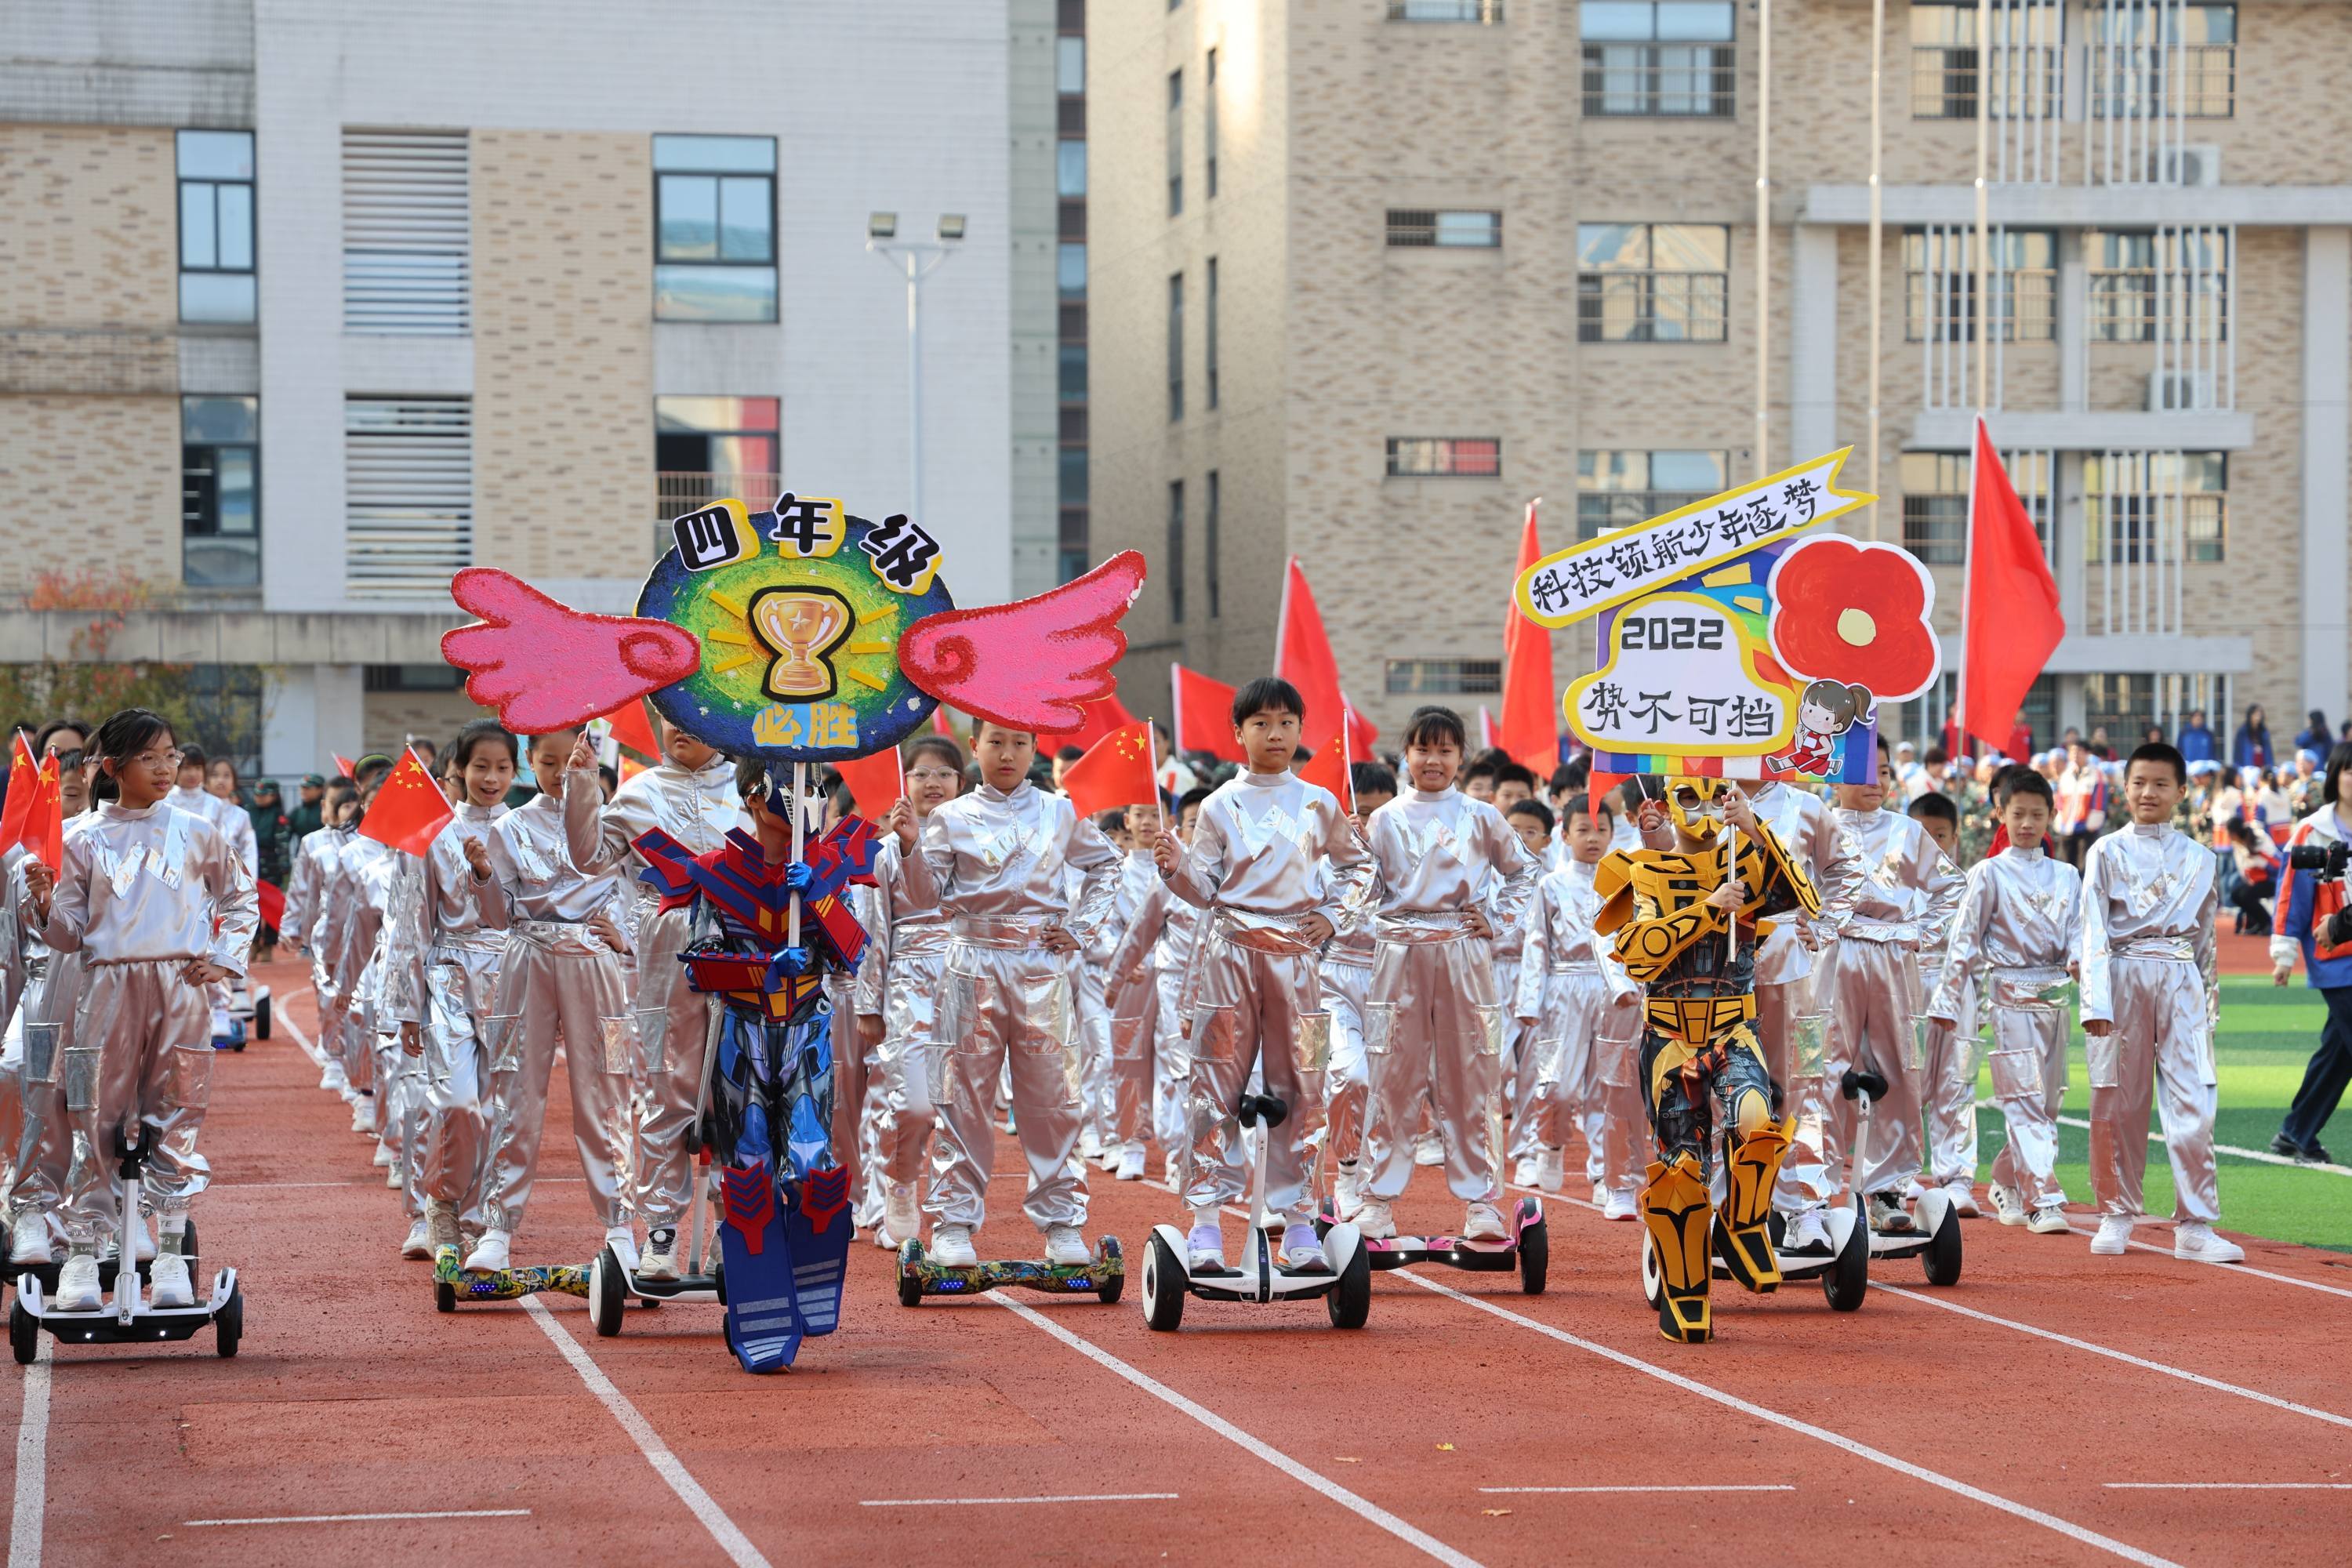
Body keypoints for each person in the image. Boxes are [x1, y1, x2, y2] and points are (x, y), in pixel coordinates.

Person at [18, 709, 258, 1311]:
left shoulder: (198, 830)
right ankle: (82, 1253)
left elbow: (241, 895)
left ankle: (172, 1252)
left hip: (179, 990)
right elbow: (69, 936)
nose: (164, 768)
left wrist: (225, 959)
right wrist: (44, 902)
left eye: (170, 755)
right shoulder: (80, 838)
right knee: (92, 1118)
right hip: (102, 992)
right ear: (112, 765)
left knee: (175, 1117)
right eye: (149, 757)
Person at [1150, 677, 1367, 1269]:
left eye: (1286, 723)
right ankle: (1205, 1222)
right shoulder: (1220, 804)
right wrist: (1174, 871)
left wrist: (1331, 915)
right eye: (1261, 723)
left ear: (1301, 729)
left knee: (1306, 1083)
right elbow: (1205, 890)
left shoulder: (1320, 802)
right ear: (1238, 732)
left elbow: (1359, 869)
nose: (1275, 734)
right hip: (1229, 956)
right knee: (1215, 1084)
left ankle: (1299, 1220)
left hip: (1299, 961)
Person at [891, 720, 1123, 1269]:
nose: (1007, 753)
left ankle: (1063, 1222)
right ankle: (952, 1223)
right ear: (976, 747)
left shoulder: (1060, 812)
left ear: (1034, 749)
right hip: (972, 961)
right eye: (996, 742)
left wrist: (1080, 928)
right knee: (961, 1096)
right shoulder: (950, 818)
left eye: (1020, 743)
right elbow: (924, 897)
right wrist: (911, 848)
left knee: (1053, 1098)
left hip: (1042, 966)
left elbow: (1108, 865)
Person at [1599, 776, 1819, 1343]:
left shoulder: (1745, 863)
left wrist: (1754, 825)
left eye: (1716, 794)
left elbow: (1804, 901)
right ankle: (1687, 1292)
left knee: (1758, 1126)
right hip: (1670, 1041)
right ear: (1665, 805)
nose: (1704, 808)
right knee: (1682, 1169)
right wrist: (1707, 909)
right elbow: (1638, 954)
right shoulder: (1639, 870)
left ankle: (1743, 1226)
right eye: (1688, 796)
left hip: (1733, 1029)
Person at [1351, 705, 1541, 1243]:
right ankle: (1376, 1200)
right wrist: (1353, 851)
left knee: (1473, 1074)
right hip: (1398, 957)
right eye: (1422, 749)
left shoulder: (1481, 816)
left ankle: (1481, 1203)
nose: (1433, 760)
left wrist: (1498, 920)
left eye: (1444, 750)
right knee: (1390, 1076)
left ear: (1461, 756)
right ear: (1405, 754)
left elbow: (1524, 869)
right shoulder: (1384, 819)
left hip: (1464, 954)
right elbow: (1359, 892)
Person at [560, 716, 740, 1279]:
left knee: (739, 1090)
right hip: (665, 952)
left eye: (692, 716)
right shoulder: (638, 792)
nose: (678, 728)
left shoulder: (751, 786)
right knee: (665, 1088)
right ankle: (661, 1231)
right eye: (669, 718)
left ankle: (733, 1229)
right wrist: (584, 785)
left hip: (743, 946)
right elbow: (589, 857)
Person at [462, 725, 637, 1275]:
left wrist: (623, 935)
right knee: (514, 1089)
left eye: (573, 760)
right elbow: (494, 916)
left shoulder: (612, 822)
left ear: (592, 759)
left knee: (607, 1090)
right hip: (527, 957)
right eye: (549, 761)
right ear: (529, 762)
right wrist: (484, 876)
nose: (561, 772)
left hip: (593, 961)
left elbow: (639, 890)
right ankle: (496, 1227)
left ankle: (621, 1225)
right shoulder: (509, 827)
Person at [2080, 742, 2241, 1262]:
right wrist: (2095, 1003)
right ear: (2125, 788)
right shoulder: (2105, 851)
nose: (2149, 793)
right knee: (2119, 1101)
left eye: (2161, 784)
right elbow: (2091, 931)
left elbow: (2205, 942)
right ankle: (2116, 1213)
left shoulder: (2201, 858)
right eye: (2139, 782)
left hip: (2181, 978)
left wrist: (2207, 1009)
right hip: (2122, 974)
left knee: (2195, 1100)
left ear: (2182, 792)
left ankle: (2194, 1225)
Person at [1928, 769, 2080, 1234]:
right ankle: (2043, 1201)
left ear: (2052, 816)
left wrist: (2079, 962)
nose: (2028, 823)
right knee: (2024, 1101)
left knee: (2048, 1107)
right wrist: (1948, 1002)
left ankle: (2005, 1180)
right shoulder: (1987, 873)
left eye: (2037, 814)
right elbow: (1964, 942)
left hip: (2056, 1000)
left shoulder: (2068, 874)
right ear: (2001, 814)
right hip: (2009, 996)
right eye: (2019, 814)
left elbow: (2079, 931)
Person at [1820, 748, 1963, 1233]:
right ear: (1833, 776)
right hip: (1831, 956)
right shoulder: (1817, 825)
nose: (1875, 780)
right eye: (1862, 772)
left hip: (1892, 960)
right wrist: (1812, 928)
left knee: (1899, 1066)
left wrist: (1918, 932)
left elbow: (1951, 887)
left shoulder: (1906, 831)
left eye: (1883, 771)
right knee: (1822, 1066)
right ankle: (1812, 1190)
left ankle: (1886, 1188)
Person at [398, 720, 516, 1262]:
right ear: (461, 771)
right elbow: (412, 921)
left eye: (502, 767)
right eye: (480, 767)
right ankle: (440, 1204)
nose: (491, 778)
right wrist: (405, 1004)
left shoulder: (525, 829)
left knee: (500, 1109)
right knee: (458, 1100)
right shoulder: (433, 832)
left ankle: (475, 1220)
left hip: (514, 978)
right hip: (449, 975)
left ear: (515, 771)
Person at [853, 735, 965, 1245]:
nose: (932, 782)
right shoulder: (882, 855)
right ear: (906, 784)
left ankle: (953, 1214)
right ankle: (899, 1185)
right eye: (921, 774)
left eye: (943, 773)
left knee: (961, 1108)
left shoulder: (977, 844)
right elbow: (873, 932)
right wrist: (869, 1004)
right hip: (909, 987)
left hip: (969, 981)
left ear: (961, 783)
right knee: (913, 1104)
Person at [1514, 792, 1643, 1215]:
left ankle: (1606, 1175)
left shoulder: (1624, 884)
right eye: (1583, 830)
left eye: (1601, 830)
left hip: (1611, 993)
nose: (1593, 837)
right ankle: (1549, 1142)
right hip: (1562, 991)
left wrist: (1629, 988)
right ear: (1564, 835)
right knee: (1558, 1084)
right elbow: (1536, 945)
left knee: (1608, 1089)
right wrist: (1529, 1000)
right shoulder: (1550, 885)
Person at [4, 720, 94, 1267]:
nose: (68, 770)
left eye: (80, 759)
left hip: (102, 1001)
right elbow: (9, 953)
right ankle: (30, 1205)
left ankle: (95, 1216)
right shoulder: (16, 858)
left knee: (97, 1102)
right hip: (38, 1000)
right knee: (22, 1079)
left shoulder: (103, 846)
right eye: (54, 758)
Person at [1108, 786, 1212, 1190]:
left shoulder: (1231, 873)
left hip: (1218, 984)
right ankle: (1160, 1148)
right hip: (1164, 981)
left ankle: (1205, 1153)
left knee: (1210, 1071)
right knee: (1154, 1063)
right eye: (1193, 822)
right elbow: (1136, 933)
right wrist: (1114, 978)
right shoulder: (1166, 874)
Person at [2268, 739, 2352, 1163]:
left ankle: (2295, 1133)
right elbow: (2291, 898)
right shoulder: (2312, 831)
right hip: (2335, 958)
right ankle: (2296, 1133)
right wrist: (2284, 954)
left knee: (2338, 1051)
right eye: (2349, 771)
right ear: (2335, 777)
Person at [1315, 764, 1393, 1218]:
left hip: (1392, 980)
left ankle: (1376, 1189)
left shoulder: (1407, 867)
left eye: (1380, 814)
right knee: (1351, 1075)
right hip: (1335, 978)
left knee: (1386, 1089)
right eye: (1360, 813)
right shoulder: (1325, 865)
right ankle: (1346, 1169)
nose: (1368, 823)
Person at [1500, 797, 1555, 1187]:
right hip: (1491, 976)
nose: (1520, 838)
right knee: (1497, 1065)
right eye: (1513, 830)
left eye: (1530, 832)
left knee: (1535, 1072)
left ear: (1548, 840)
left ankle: (1527, 1150)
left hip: (1541, 978)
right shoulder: (1483, 873)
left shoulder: (1554, 879)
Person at [2054, 741, 2107, 869]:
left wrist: (2092, 823)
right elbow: (2060, 800)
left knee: (2085, 865)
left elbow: (2099, 801)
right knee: (2066, 865)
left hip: (2086, 827)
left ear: (2087, 753)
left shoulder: (2097, 774)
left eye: (2079, 751)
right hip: (2066, 826)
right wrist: (2059, 820)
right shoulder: (2066, 775)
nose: (2075, 755)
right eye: (2072, 751)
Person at [2223, 820, 2278, 935]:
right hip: (2256, 880)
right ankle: (2258, 923)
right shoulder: (2237, 845)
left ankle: (2267, 923)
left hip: (2273, 879)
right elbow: (2243, 869)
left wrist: (2256, 861)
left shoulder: (2260, 838)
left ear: (2234, 833)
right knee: (2236, 894)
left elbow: (2275, 863)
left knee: (2245, 894)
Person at [2232, 704, 2273, 771]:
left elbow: (2268, 752)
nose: (2257, 718)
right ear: (2250, 715)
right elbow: (2238, 753)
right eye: (2255, 715)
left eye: (2259, 715)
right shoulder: (2243, 732)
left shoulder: (2263, 732)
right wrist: (2238, 768)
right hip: (2247, 768)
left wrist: (2269, 767)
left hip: (2261, 768)